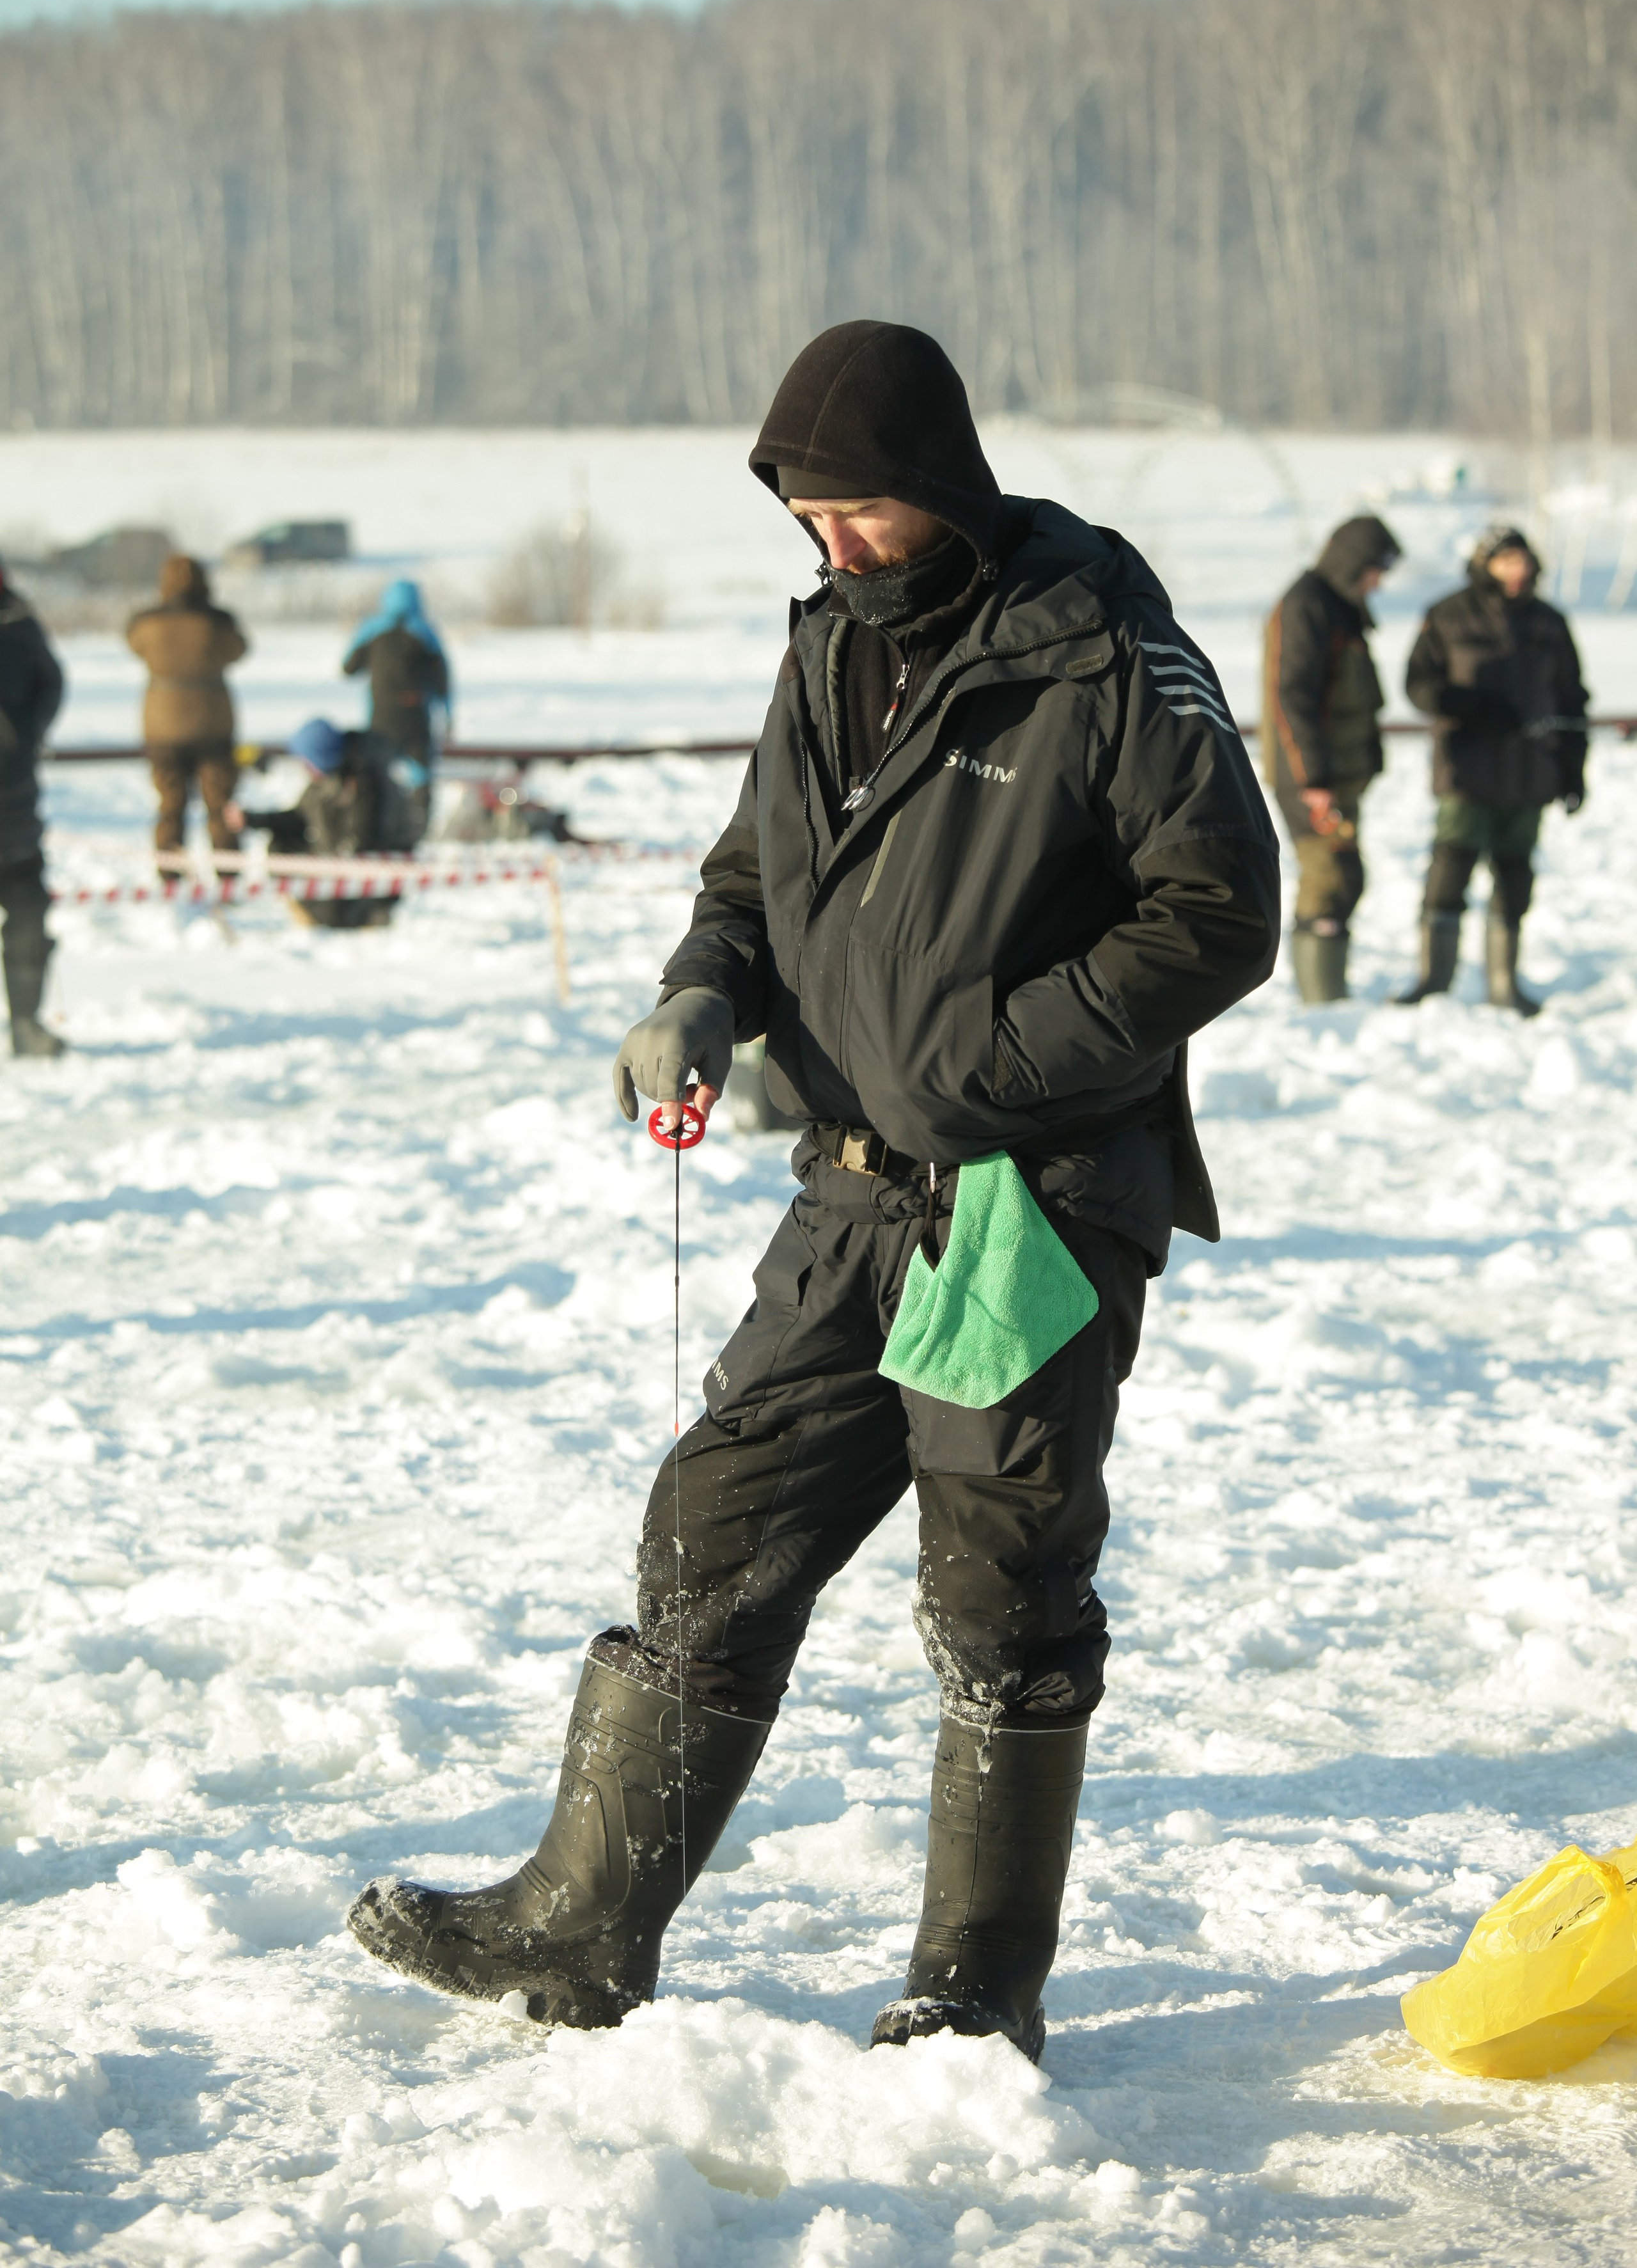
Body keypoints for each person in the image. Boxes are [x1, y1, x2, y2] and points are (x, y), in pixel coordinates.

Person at [347, 319, 1281, 2062]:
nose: (833, 543)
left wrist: (999, 1060)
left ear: (941, 483)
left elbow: (1220, 911)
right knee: (716, 1524)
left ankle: (976, 1987)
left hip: (1033, 1195)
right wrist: (706, 987)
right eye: (807, 512)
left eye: (860, 511)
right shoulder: (831, 647)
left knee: (1000, 1586)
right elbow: (757, 865)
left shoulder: (1103, 654)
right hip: (851, 1188)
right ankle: (581, 1926)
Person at [1397, 525, 1588, 1016]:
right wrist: (1468, 705)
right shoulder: (1447, 614)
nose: (1517, 571)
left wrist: (1573, 767)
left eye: (1523, 561)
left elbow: (1572, 699)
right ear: (1485, 563)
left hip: (1531, 773)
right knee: (1450, 871)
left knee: (1515, 876)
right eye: (1506, 561)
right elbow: (1418, 685)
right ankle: (1433, 980)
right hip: (1467, 770)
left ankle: (1504, 983)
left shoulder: (1550, 623)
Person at [1262, 516, 1402, 1002]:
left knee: (1346, 878)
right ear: (1351, 561)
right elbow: (1291, 696)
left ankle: (1328, 994)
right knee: (1330, 878)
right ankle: (1320, 1003)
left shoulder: (1341, 605)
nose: (1378, 582)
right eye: (1374, 569)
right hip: (1312, 777)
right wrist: (1314, 777)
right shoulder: (1306, 605)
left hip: (1339, 774)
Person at [230, 717, 421, 928]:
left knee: (334, 911)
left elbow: (361, 842)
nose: (304, 768)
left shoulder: (366, 781)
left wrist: (324, 865)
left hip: (372, 873)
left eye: (307, 762)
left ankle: (357, 917)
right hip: (334, 861)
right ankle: (312, 909)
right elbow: (298, 817)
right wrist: (251, 819)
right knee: (279, 844)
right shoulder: (329, 775)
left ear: (322, 757)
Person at [125, 555, 247, 870]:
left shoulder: (147, 622)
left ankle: (170, 873)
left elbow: (133, 643)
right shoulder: (219, 622)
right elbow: (239, 649)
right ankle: (229, 872)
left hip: (163, 726)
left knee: (170, 804)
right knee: (220, 804)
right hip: (213, 725)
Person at [0, 560, 67, 1057]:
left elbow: (53, 683)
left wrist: (25, 735)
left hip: (14, 801)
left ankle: (26, 1025)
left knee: (27, 917)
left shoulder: (18, 624)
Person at [342, 578, 450, 839]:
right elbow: (442, 682)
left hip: (381, 717)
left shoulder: (373, 631)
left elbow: (348, 668)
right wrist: (447, 715)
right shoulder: (424, 633)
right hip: (415, 716)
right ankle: (422, 826)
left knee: (378, 769)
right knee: (420, 773)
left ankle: (376, 824)